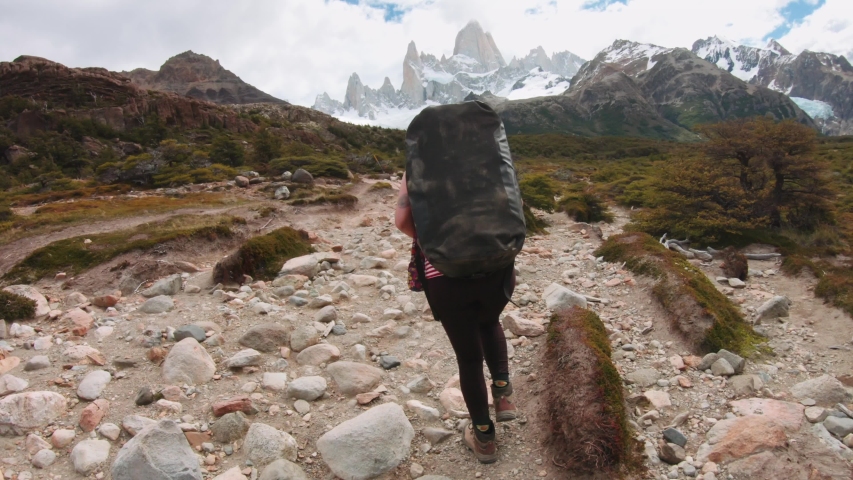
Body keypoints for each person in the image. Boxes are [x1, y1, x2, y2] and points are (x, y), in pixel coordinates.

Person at [395, 172, 517, 464]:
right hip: (495, 265)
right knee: (489, 321)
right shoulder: (490, 148)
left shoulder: (419, 159)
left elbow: (401, 220)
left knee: (469, 359)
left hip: (445, 275)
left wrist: (437, 245)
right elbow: (515, 207)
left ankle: (484, 438)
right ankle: (502, 393)